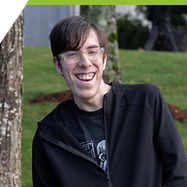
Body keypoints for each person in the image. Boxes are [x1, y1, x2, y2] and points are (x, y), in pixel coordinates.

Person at [32, 16, 187, 187]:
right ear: (58, 65)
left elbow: (179, 172)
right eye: (72, 54)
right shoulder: (49, 135)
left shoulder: (145, 102)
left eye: (92, 51)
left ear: (104, 59)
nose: (85, 62)